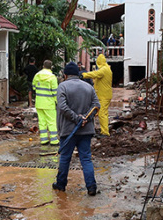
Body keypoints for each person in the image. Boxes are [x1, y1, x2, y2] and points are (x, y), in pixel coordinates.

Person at [53, 62, 99, 196]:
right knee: (86, 159)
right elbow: (96, 106)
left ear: (65, 75)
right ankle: (91, 187)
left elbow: (62, 107)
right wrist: (86, 118)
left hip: (68, 131)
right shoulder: (88, 87)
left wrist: (77, 118)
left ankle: (61, 185)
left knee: (65, 158)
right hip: (86, 131)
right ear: (78, 74)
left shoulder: (63, 86)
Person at [83, 53, 113, 137]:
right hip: (103, 95)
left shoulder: (103, 70)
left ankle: (105, 132)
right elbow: (96, 80)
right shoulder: (107, 69)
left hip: (104, 96)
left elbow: (95, 74)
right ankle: (101, 130)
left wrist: (83, 75)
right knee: (98, 113)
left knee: (102, 114)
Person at [31, 60, 59, 146]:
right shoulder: (52, 77)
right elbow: (55, 92)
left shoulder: (37, 75)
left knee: (42, 122)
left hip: (39, 103)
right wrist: (57, 102)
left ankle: (44, 140)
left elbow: (34, 87)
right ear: (51, 67)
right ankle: (54, 140)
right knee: (52, 121)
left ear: (43, 66)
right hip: (49, 103)